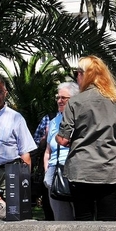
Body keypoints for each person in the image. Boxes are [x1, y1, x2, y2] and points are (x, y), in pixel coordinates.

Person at [56, 56, 116, 221]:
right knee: (108, 220)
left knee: (83, 220)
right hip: (110, 169)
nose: (77, 76)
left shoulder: (75, 102)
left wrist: (59, 135)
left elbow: (63, 140)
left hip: (81, 170)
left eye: (78, 73)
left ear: (85, 75)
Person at [43, 82, 79, 221]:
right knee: (60, 218)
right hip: (55, 172)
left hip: (76, 171)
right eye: (58, 97)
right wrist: (48, 171)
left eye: (64, 98)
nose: (59, 101)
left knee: (81, 217)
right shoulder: (54, 121)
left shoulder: (81, 119)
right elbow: (48, 151)